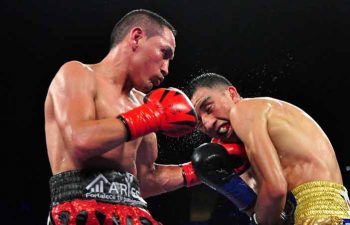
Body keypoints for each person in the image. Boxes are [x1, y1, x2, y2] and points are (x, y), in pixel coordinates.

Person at [44, 9, 200, 225]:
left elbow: (145, 181)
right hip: (81, 212)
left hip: (135, 214)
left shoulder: (144, 104)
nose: (166, 69)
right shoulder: (77, 74)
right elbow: (80, 140)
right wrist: (151, 116)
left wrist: (199, 171)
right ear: (137, 38)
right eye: (164, 53)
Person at [186, 72, 350, 225]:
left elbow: (275, 190)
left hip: (317, 215)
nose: (208, 123)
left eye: (209, 108)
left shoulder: (242, 110)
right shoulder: (263, 120)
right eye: (199, 123)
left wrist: (257, 220)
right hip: (331, 213)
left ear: (232, 93)